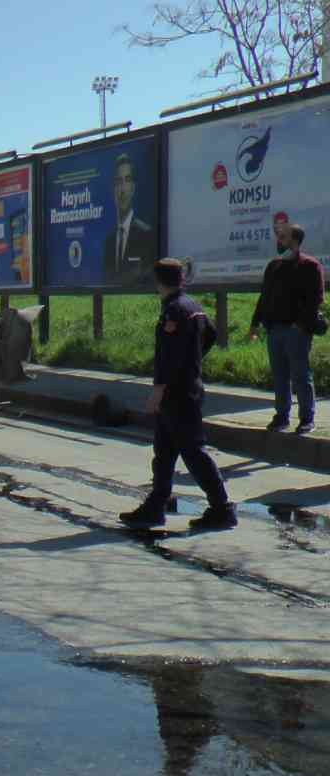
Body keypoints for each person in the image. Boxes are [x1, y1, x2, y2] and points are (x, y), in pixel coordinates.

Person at [120, 258, 234, 530]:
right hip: (187, 387)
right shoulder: (194, 307)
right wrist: (194, 361)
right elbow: (211, 335)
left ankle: (222, 508)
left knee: (193, 452)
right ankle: (156, 506)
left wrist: (158, 391)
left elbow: (168, 357)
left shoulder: (174, 311)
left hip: (178, 393)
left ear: (158, 281)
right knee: (164, 452)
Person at [247, 222, 325, 433]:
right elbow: (264, 298)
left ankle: (307, 418)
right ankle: (281, 416)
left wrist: (300, 326)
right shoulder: (274, 265)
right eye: (279, 235)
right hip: (274, 330)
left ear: (295, 239)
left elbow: (316, 299)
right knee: (280, 375)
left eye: (284, 235)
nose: (279, 238)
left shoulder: (310, 265)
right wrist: (255, 324)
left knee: (300, 375)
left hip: (296, 331)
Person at [102, 154, 155, 284]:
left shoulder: (146, 234)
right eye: (118, 182)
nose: (122, 189)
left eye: (127, 180)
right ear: (114, 189)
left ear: (133, 188)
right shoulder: (109, 241)